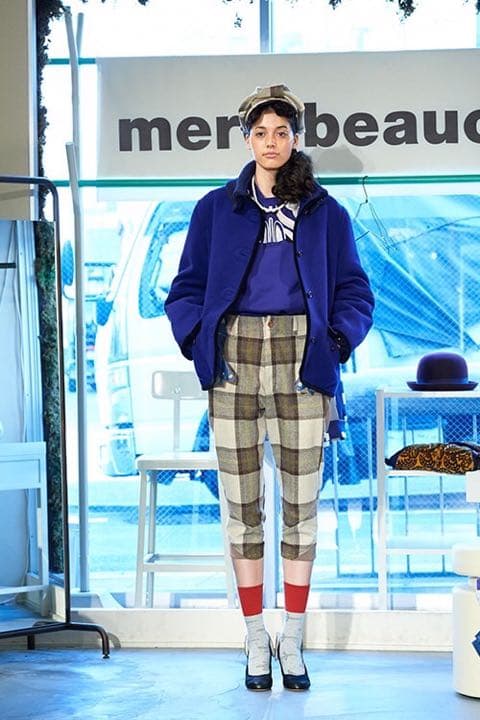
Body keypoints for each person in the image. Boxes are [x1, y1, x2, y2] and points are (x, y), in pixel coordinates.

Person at [165, 84, 374, 691]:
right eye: (261, 133)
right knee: (242, 508)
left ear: (296, 138)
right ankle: (256, 637)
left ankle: (294, 640)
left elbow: (355, 290)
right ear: (247, 140)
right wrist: (199, 339)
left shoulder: (326, 213)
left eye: (282, 132)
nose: (271, 142)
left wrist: (334, 342)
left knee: (301, 508)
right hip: (234, 360)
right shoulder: (215, 209)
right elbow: (185, 290)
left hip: (303, 358)